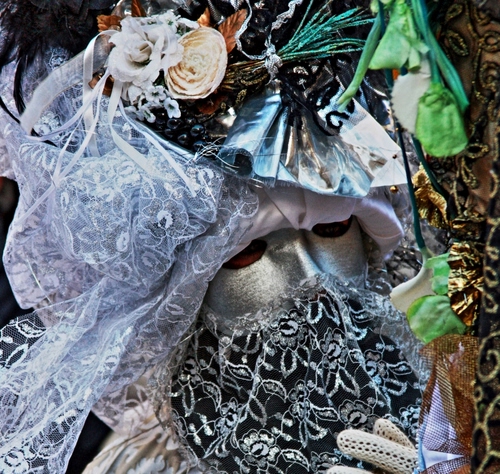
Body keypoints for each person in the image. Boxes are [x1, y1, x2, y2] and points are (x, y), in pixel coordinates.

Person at [0, 0, 424, 472]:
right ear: (181, 306)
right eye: (246, 253)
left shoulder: (454, 407)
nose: (313, 281)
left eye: (332, 229)